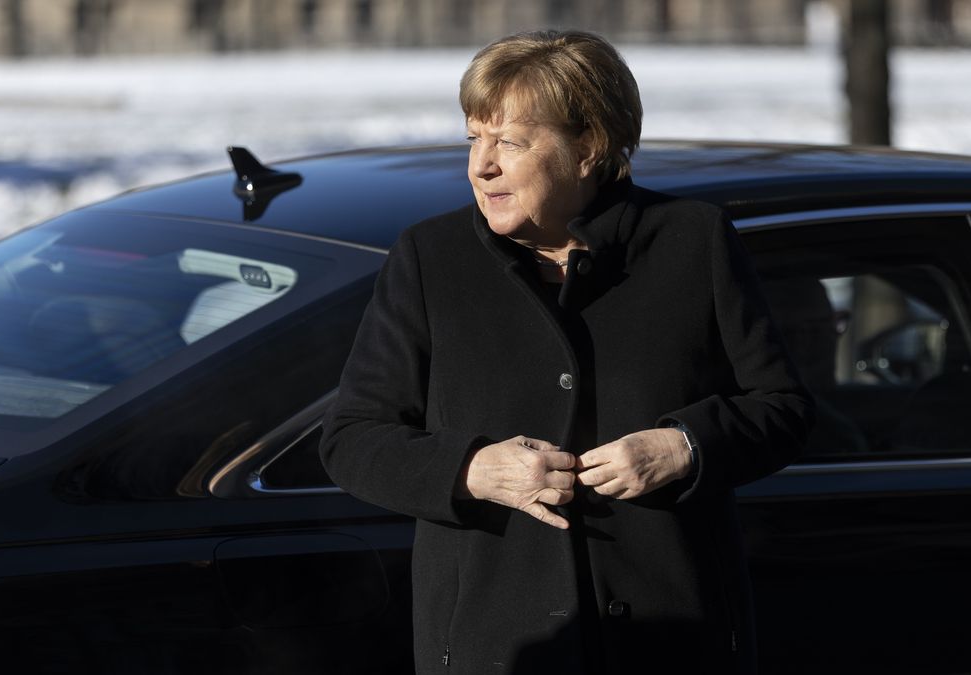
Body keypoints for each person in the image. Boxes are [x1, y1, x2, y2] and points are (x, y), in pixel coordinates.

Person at [319, 30, 813, 675]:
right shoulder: (430, 259)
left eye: (511, 142)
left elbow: (784, 409)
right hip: (495, 644)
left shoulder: (693, 242)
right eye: (475, 138)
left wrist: (685, 447)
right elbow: (353, 439)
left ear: (588, 148)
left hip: (671, 637)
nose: (481, 166)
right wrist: (469, 470)